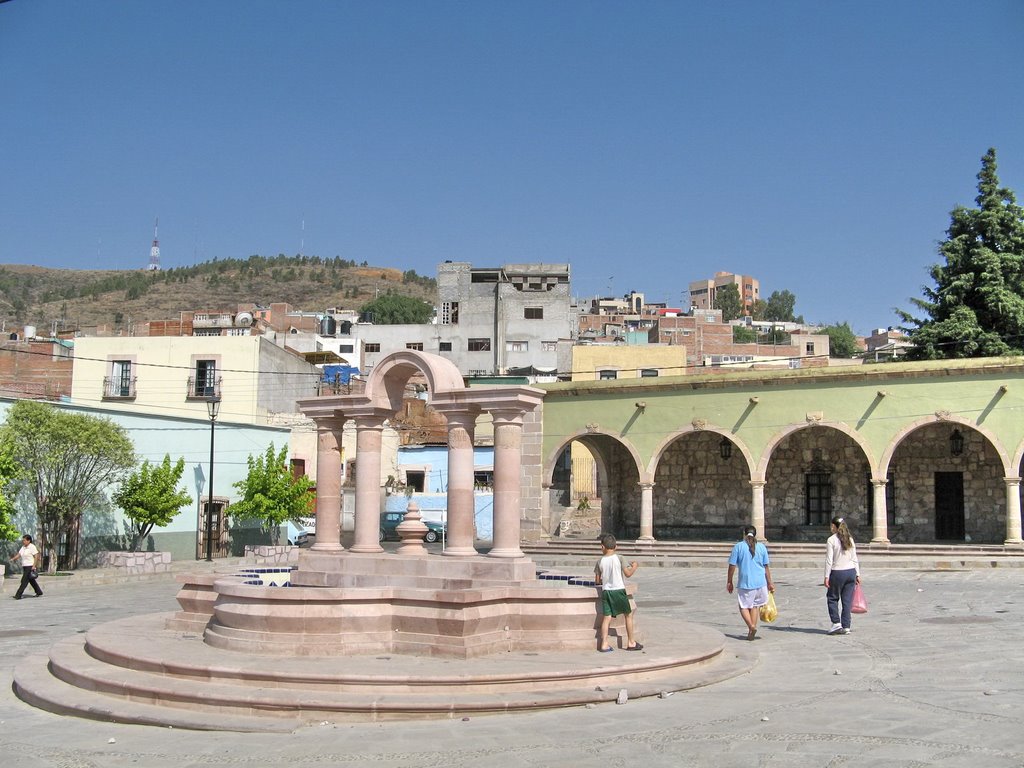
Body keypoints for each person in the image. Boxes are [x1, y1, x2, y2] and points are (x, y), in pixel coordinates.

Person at [594, 533, 642, 652]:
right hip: (619, 590)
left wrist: (604, 579)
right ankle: (631, 642)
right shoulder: (620, 558)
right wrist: (635, 566)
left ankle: (604, 644)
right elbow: (628, 574)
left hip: (606, 591)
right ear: (616, 547)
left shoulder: (600, 561)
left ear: (602, 547)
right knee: (628, 614)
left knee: (607, 617)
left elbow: (597, 580)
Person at [726, 525, 774, 641]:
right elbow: (766, 567)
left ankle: (751, 626)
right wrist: (770, 583)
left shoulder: (738, 547)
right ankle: (751, 631)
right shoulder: (761, 547)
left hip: (746, 582)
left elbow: (732, 565)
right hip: (760, 582)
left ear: (744, 533)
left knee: (743, 606)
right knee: (754, 606)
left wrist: (729, 581)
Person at [824, 516, 860, 635]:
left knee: (832, 598)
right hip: (851, 572)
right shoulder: (850, 539)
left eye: (831, 525)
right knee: (847, 600)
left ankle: (836, 623)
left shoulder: (831, 540)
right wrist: (858, 574)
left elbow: (829, 560)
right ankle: (846, 626)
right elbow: (855, 558)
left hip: (837, 572)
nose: (830, 527)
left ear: (834, 526)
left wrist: (826, 576)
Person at [9, 533, 43, 600]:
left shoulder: (32, 547)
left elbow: (36, 557)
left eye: (24, 540)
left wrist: (34, 566)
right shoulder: (23, 547)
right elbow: (19, 554)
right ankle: (39, 592)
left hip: (30, 566)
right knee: (31, 580)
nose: (23, 541)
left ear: (29, 540)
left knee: (24, 580)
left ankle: (18, 595)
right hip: (25, 566)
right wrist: (13, 559)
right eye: (23, 540)